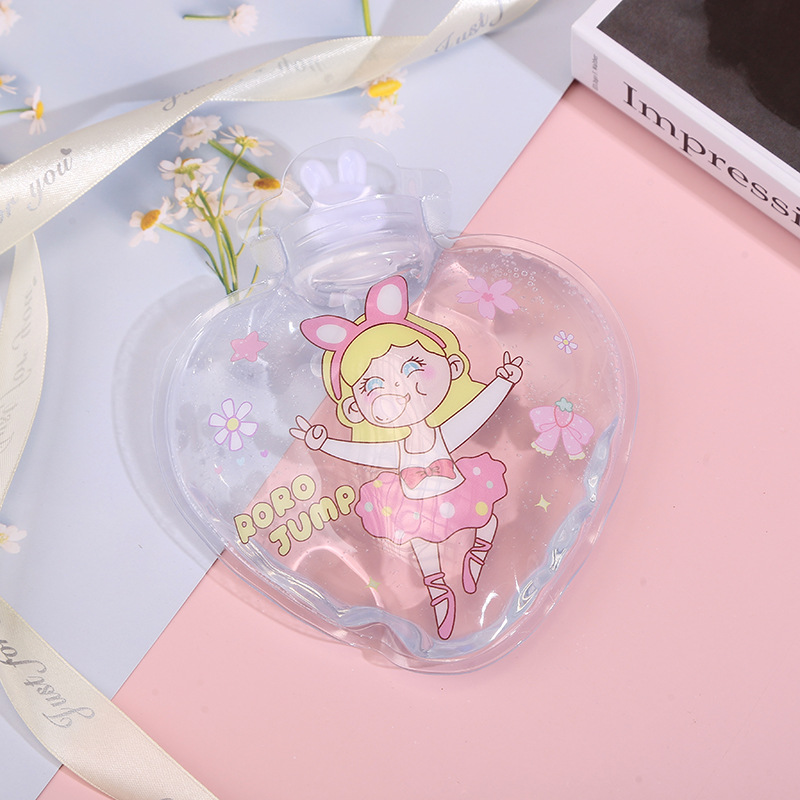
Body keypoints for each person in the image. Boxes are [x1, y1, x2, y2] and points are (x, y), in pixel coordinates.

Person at [291, 275, 522, 640]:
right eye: (373, 385)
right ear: (354, 409)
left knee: (485, 518)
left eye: (413, 367)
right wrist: (324, 444)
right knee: (422, 543)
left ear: (453, 367)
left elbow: (475, 414)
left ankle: (478, 550)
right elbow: (364, 451)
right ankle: (438, 589)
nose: (397, 388)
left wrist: (503, 383)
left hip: (456, 488)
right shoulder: (392, 448)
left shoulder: (443, 431)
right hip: (415, 501)